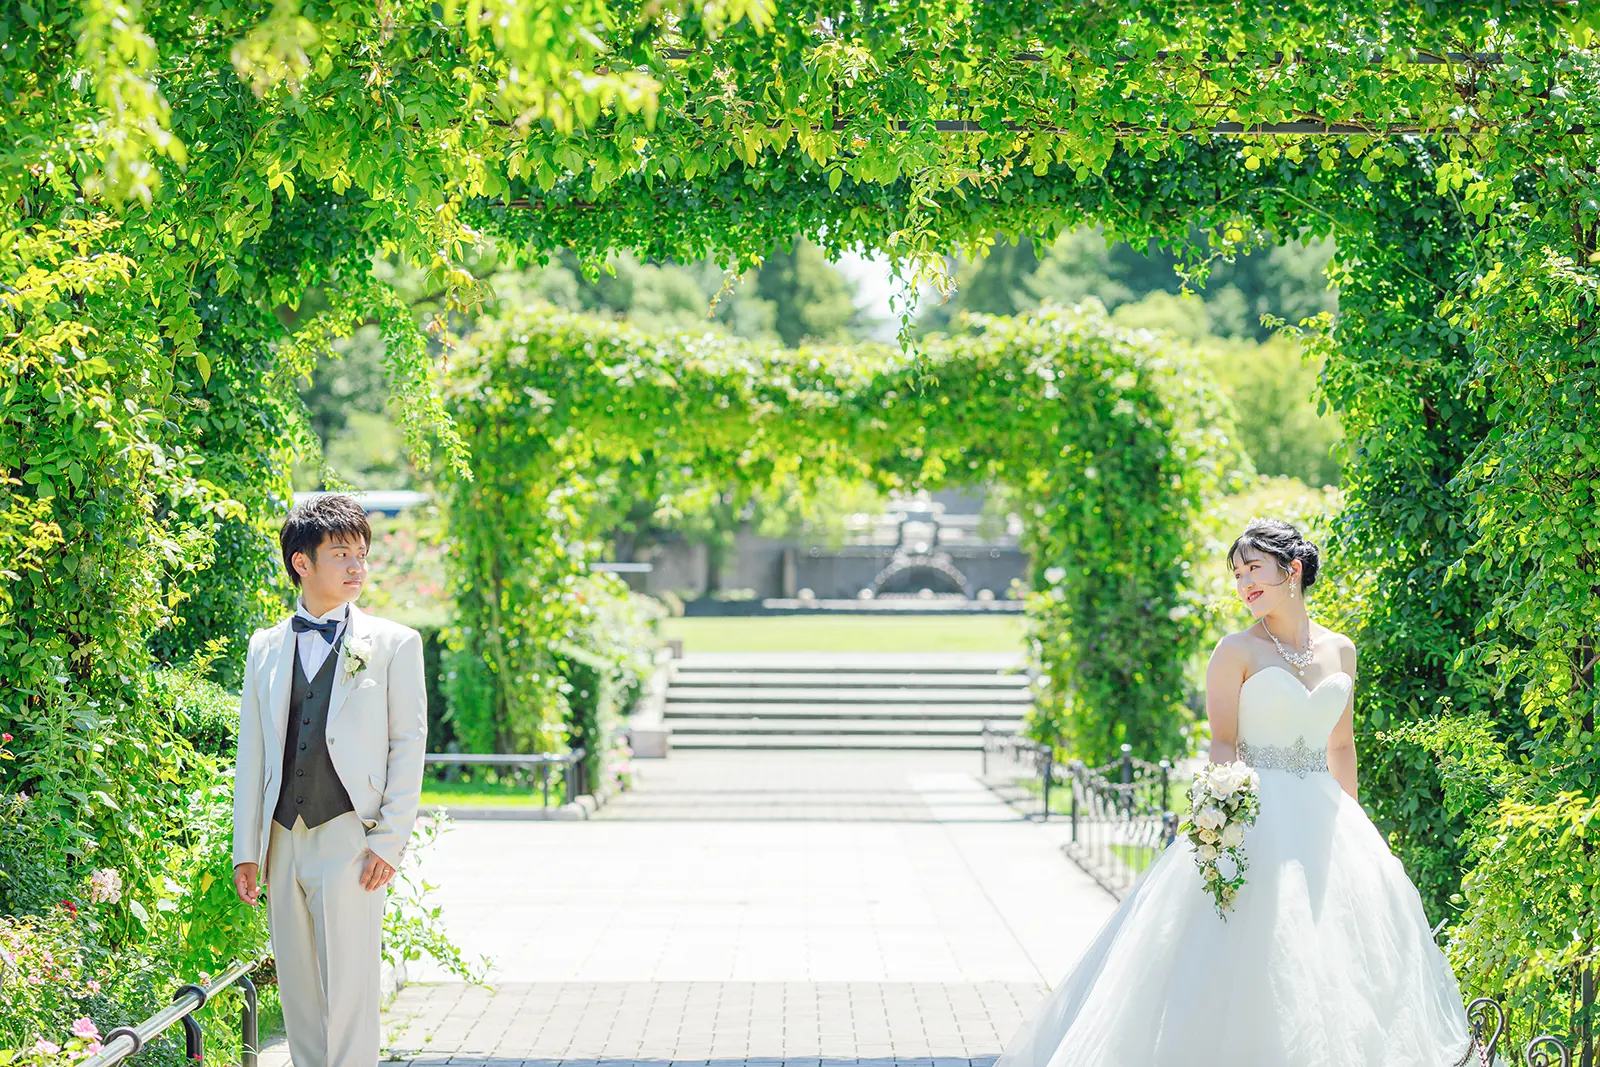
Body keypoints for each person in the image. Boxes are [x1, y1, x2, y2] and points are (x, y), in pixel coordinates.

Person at [994, 518, 1470, 1067]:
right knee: (1249, 955)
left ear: (1292, 571)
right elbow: (1223, 742)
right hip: (1255, 818)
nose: (1244, 584)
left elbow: (1341, 745)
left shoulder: (1341, 650)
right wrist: (1224, 821)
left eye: (1254, 570)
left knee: (1337, 962)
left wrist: (1356, 830)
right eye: (1238, 574)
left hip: (1327, 821)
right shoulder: (1236, 650)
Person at [231, 494, 428, 1067]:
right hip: (281, 838)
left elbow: (408, 745)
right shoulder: (266, 646)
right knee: (297, 991)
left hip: (350, 837)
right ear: (302, 562)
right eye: (341, 554)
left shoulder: (394, 644)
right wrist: (248, 850)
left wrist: (389, 841)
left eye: (361, 554)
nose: (356, 566)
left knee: (348, 992)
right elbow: (253, 753)